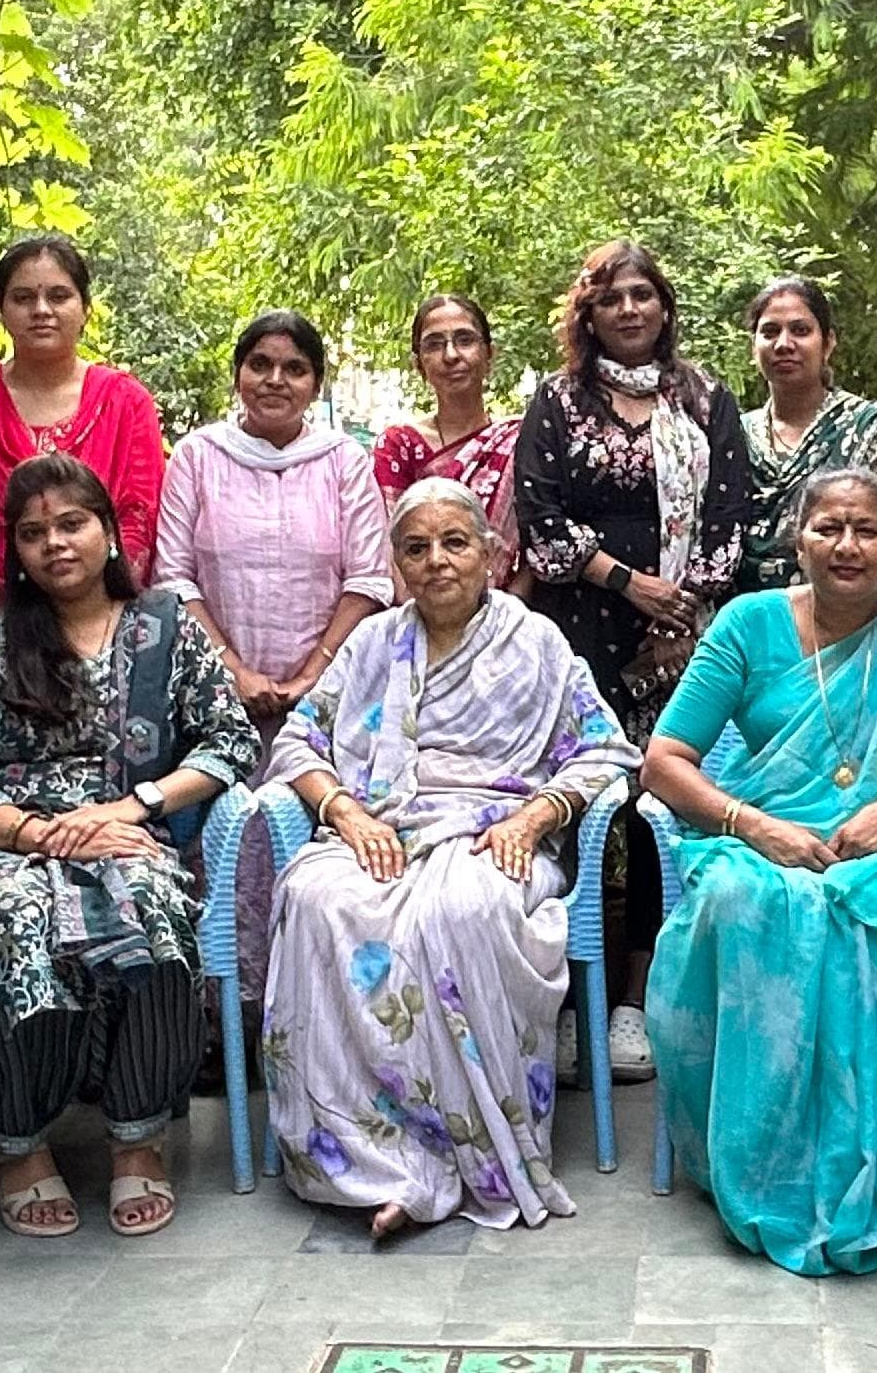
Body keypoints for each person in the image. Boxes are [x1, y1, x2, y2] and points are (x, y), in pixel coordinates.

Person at [640, 468, 877, 1276]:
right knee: (750, 901)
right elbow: (665, 762)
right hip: (761, 838)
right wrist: (753, 825)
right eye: (829, 528)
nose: (847, 546)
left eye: (868, 530)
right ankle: (766, 1165)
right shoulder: (747, 625)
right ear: (798, 540)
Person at [264, 479, 642, 1237]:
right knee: (315, 897)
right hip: (381, 825)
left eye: (455, 542)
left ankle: (471, 1157)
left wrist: (534, 818)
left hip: (494, 832)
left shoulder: (533, 641)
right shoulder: (372, 643)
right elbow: (297, 740)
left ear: (490, 554)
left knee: (460, 908)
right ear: (397, 565)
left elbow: (607, 751)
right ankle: (374, 1162)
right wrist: (343, 810)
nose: (436, 561)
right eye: (416, 548)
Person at [0, 455, 262, 1239]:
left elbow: (230, 742)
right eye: (33, 533)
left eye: (71, 523)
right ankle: (15, 1140)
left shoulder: (167, 631)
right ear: (17, 552)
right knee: (18, 924)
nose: (55, 544)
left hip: (123, 835)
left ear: (108, 532)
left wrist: (135, 805)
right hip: (3, 847)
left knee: (157, 911)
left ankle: (139, 1134)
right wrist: (42, 834)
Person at [513, 240, 754, 1084]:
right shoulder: (557, 401)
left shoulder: (706, 397)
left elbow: (732, 518)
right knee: (581, 813)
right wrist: (628, 583)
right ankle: (574, 996)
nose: (628, 310)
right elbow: (538, 517)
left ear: (664, 306)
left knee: (659, 816)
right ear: (588, 312)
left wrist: (681, 611)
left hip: (682, 644)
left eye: (643, 295)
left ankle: (634, 1005)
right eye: (610, 297)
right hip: (580, 638)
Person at [152, 308, 391, 751]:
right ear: (238, 373)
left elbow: (368, 578)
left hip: (329, 690)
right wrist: (232, 670)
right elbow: (172, 578)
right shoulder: (198, 456)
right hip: (210, 688)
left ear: (316, 386)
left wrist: (313, 674)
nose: (275, 379)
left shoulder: (343, 461)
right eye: (260, 364)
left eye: (295, 369)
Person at [0, 235, 168, 660]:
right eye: (23, 297)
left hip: (106, 643)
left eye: (59, 296)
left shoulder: (125, 402)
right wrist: (1, 643)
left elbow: (137, 522)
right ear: (0, 311)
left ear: (85, 310)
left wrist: (88, 633)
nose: (41, 311)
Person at [736, 276, 877, 591]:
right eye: (770, 332)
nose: (784, 344)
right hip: (744, 619)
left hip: (848, 614)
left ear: (828, 343)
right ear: (754, 346)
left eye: (800, 331)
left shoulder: (874, 429)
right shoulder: (733, 435)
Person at [372, 294, 526, 591]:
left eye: (465, 340)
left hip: (505, 616)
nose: (451, 355)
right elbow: (392, 548)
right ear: (419, 364)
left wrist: (504, 616)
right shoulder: (400, 444)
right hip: (420, 612)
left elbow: (537, 546)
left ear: (489, 354)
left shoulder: (521, 441)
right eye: (434, 344)